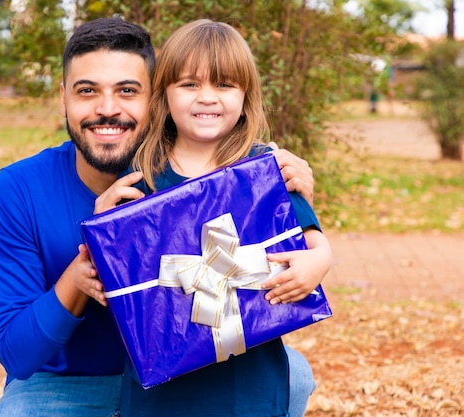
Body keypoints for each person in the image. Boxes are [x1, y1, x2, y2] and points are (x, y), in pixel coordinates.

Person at [0, 17, 316, 417]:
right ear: (63, 97)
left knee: (294, 373)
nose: (107, 109)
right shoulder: (17, 190)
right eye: (87, 91)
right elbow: (17, 355)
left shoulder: (216, 179)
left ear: (156, 97)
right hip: (74, 383)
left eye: (127, 91)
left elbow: (285, 253)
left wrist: (285, 201)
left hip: (188, 370)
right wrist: (85, 263)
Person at [83, 19, 332, 417]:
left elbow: (314, 241)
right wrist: (104, 232)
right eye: (189, 84)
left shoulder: (266, 167)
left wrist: (319, 261)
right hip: (163, 389)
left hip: (248, 380)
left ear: (245, 94)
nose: (207, 98)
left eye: (224, 85)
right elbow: (118, 269)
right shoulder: (141, 173)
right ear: (164, 93)